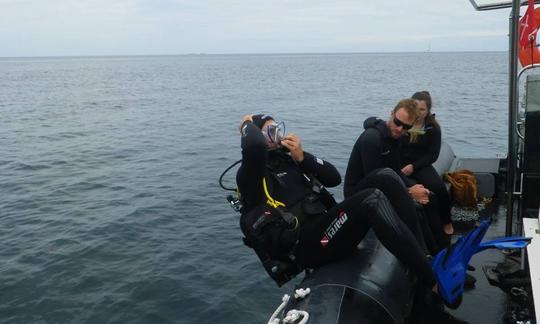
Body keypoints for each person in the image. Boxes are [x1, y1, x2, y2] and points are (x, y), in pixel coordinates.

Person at [236, 113, 448, 301]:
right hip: (307, 246)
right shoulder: (251, 177)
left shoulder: (289, 160)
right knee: (371, 200)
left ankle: (423, 254)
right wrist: (247, 123)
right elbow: (254, 147)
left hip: (328, 230)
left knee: (385, 176)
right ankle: (433, 281)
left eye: (277, 130)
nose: (276, 136)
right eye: (268, 132)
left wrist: (303, 158)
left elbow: (334, 178)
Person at [400, 91, 454, 238]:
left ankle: (446, 222)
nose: (418, 112)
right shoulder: (403, 122)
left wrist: (414, 166)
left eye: (422, 109)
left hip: (420, 164)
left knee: (439, 189)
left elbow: (433, 155)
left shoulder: (433, 128)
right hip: (400, 163)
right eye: (415, 108)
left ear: (428, 110)